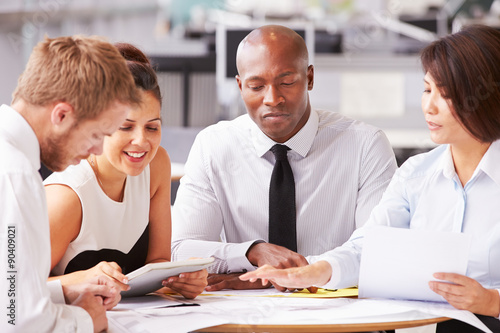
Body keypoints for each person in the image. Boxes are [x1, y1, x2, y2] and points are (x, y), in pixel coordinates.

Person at [240, 24, 500, 331]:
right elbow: (369, 247)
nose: (429, 107)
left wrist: (491, 302)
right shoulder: (416, 173)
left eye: (446, 94)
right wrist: (313, 271)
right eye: (428, 89)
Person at [171, 24, 397, 291]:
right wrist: (251, 253)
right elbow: (181, 251)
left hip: (334, 317)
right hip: (244, 319)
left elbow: (378, 250)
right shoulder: (214, 146)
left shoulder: (365, 145)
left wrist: (269, 276)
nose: (272, 99)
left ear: (309, 78)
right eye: (256, 86)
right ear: (240, 86)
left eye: (287, 82)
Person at [44, 43, 208, 300]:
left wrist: (179, 280)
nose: (141, 141)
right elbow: (14, 289)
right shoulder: (67, 197)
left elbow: (158, 261)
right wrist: (77, 281)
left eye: (152, 127)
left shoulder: (156, 165)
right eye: (125, 127)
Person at [0, 35, 141, 333]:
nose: (98, 150)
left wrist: (60, 293)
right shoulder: (16, 175)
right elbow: (17, 322)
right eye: (96, 134)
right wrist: (85, 319)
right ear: (61, 114)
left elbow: (8, 296)